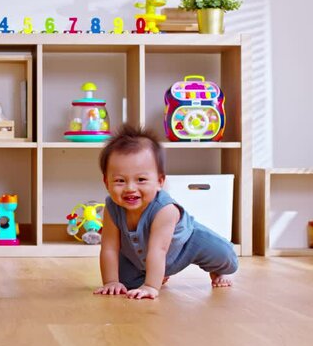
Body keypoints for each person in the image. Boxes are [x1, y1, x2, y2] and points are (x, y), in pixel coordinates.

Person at [93, 124, 238, 300]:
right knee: (126, 282)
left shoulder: (165, 210)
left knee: (224, 256)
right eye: (120, 181)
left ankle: (218, 269)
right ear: (106, 182)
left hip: (186, 245)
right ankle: (156, 273)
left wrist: (150, 286)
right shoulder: (112, 208)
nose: (130, 188)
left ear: (160, 181)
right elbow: (109, 248)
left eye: (141, 179)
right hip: (141, 257)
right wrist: (111, 282)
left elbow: (159, 250)